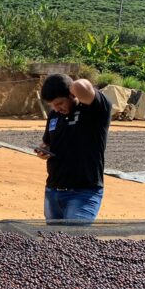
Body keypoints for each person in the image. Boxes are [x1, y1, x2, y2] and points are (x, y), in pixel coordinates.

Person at [36, 74, 111, 224]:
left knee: (74, 242)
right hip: (53, 191)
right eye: (52, 105)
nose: (56, 108)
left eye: (60, 103)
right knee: (53, 244)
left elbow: (80, 86)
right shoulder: (54, 116)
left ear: (72, 94)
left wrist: (67, 84)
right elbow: (48, 143)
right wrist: (44, 150)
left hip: (83, 193)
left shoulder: (94, 110)